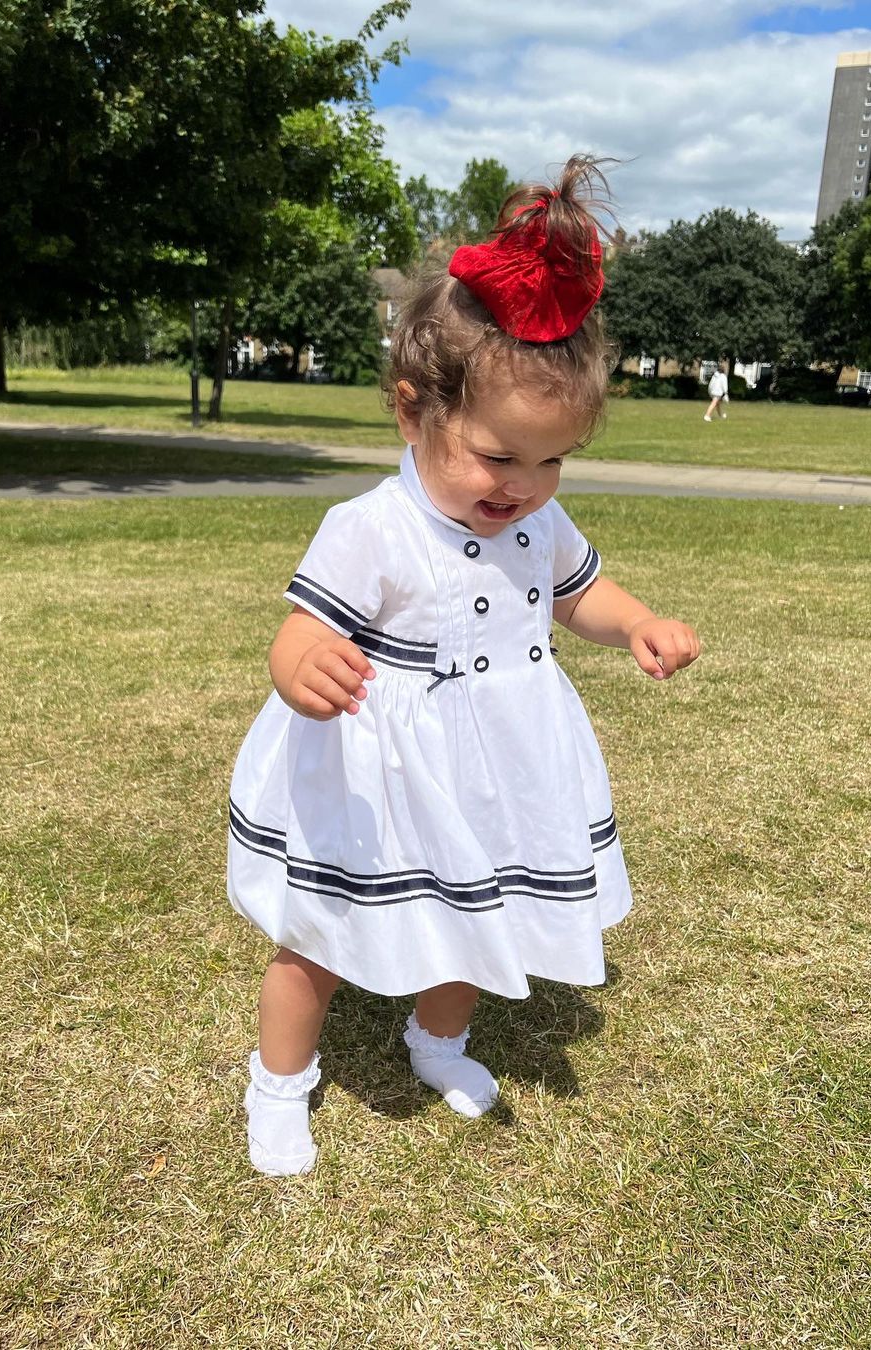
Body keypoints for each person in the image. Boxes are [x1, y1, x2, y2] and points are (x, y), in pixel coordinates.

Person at [227, 155, 701, 1177]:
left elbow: (576, 593)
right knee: (318, 935)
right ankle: (279, 1083)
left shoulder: (539, 522)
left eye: (551, 460)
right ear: (413, 413)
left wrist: (635, 623)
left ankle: (438, 1039)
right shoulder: (372, 526)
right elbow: (300, 630)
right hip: (379, 774)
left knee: (479, 914)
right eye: (498, 455)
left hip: (498, 764)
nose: (523, 485)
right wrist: (302, 665)